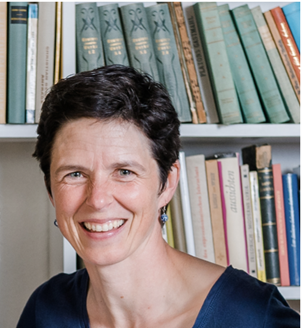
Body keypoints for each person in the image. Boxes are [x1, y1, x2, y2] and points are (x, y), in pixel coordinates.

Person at [17, 65, 299, 328]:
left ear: (167, 183)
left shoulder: (254, 316)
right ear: (51, 190)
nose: (98, 199)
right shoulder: (45, 311)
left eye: (124, 171)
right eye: (75, 174)